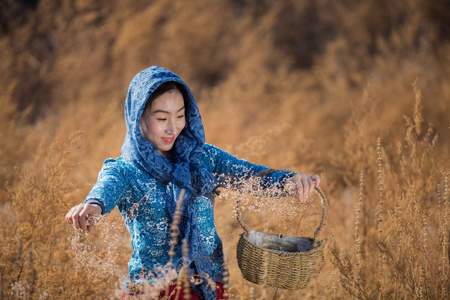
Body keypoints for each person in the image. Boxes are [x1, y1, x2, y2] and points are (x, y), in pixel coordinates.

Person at [65, 65, 320, 300]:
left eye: (180, 115)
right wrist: (92, 205)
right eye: (162, 118)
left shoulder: (204, 158)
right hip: (153, 290)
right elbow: (104, 190)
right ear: (138, 118)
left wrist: (290, 181)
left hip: (208, 286)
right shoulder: (125, 169)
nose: (172, 128)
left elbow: (251, 176)